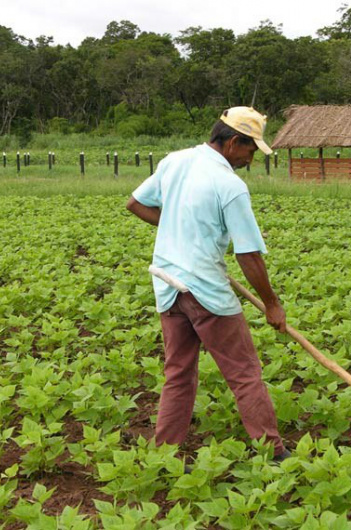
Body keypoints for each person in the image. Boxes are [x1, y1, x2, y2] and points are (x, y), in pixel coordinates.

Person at [126, 106, 291, 463]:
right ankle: (273, 451)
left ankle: (164, 453)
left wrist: (181, 231)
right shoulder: (230, 185)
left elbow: (135, 203)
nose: (251, 159)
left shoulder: (175, 161)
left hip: (168, 286)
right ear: (233, 142)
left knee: (178, 373)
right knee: (245, 373)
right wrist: (272, 304)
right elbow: (248, 255)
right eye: (250, 150)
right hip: (206, 292)